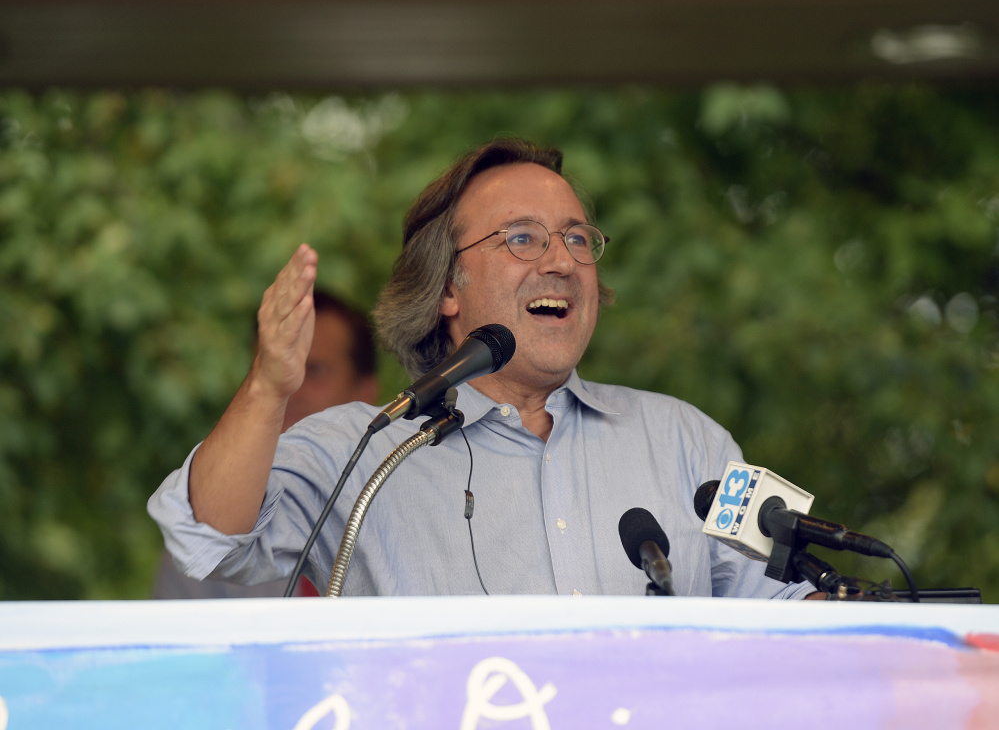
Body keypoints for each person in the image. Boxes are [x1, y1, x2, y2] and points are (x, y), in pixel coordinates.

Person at [149, 138, 815, 600]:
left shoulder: (688, 440)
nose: (560, 260)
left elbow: (797, 597)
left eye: (577, 237)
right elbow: (204, 532)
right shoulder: (363, 447)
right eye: (522, 237)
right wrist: (267, 387)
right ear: (448, 288)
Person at [151, 290, 378, 598]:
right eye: (271, 369)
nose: (289, 388)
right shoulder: (208, 530)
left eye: (314, 371)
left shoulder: (403, 509)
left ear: (366, 392)